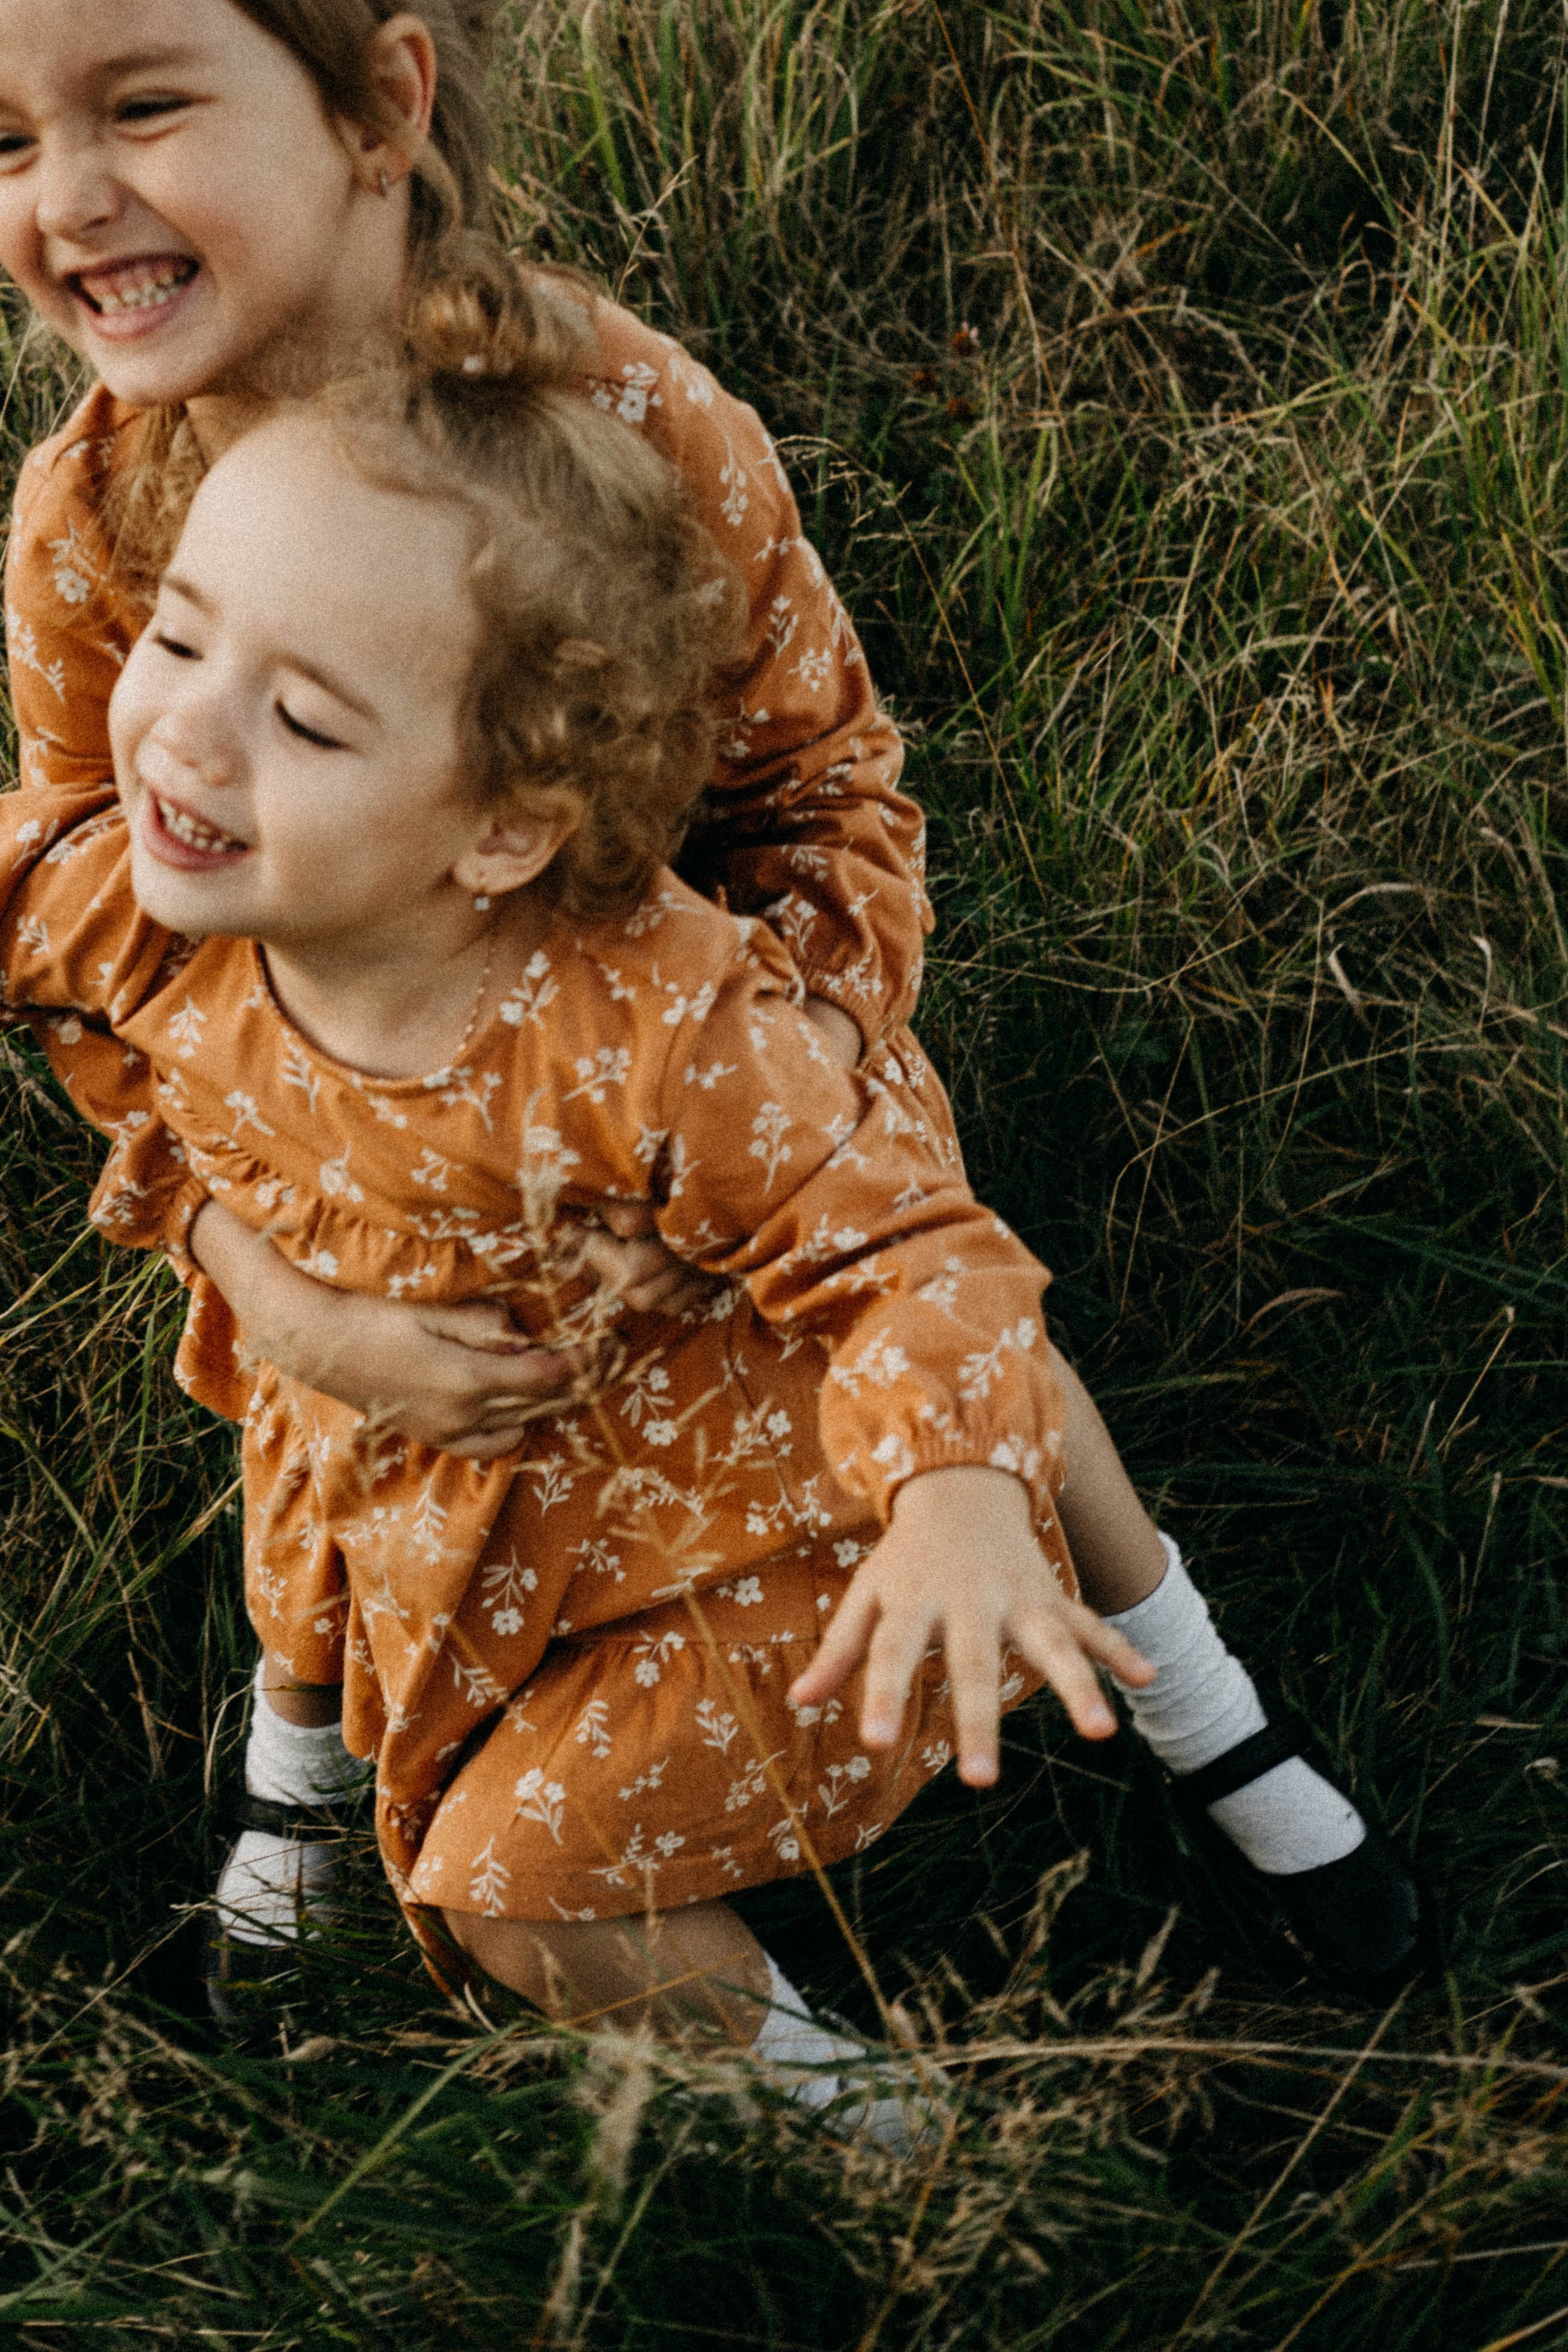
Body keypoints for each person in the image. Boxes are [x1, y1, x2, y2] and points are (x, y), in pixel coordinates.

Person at [0, 0, 1425, 2030]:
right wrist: (259, 1264)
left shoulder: (627, 421)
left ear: (383, 103)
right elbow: (79, 912)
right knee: (335, 1421)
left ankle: (1210, 1716)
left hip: (711, 1059)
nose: (66, 197)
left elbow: (824, 796)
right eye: (3, 141)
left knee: (941, 1300)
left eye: (142, 105)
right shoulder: (89, 516)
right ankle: (301, 1785)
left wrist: (734, 1123)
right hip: (327, 1115)